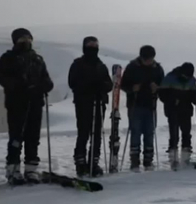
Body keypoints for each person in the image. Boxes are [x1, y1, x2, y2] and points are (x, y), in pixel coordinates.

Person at [0, 28, 54, 184]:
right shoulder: (8, 58)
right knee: (16, 136)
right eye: (22, 39)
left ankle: (31, 169)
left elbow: (47, 80)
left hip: (35, 103)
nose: (25, 42)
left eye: (28, 39)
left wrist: (41, 87)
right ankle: (13, 168)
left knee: (33, 137)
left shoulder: (37, 59)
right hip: (17, 103)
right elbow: (1, 76)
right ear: (15, 41)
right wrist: (18, 85)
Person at [67, 36, 113, 177]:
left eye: (95, 45)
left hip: (99, 103)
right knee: (84, 132)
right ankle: (81, 162)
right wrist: (88, 86)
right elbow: (73, 82)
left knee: (97, 133)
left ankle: (94, 162)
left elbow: (109, 84)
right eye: (90, 45)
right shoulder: (78, 64)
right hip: (84, 102)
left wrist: (102, 87)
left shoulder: (101, 65)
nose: (93, 48)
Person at [120, 45, 164, 171]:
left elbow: (163, 84)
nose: (148, 61)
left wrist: (157, 88)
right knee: (135, 132)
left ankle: (148, 160)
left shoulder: (157, 68)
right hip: (135, 104)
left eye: (150, 59)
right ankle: (135, 161)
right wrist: (132, 88)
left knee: (150, 132)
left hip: (150, 105)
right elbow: (123, 85)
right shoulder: (132, 67)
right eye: (146, 59)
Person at [158, 62, 196, 166]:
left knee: (186, 131)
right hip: (173, 108)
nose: (187, 77)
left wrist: (195, 99)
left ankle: (186, 153)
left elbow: (194, 93)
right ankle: (173, 153)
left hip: (186, 108)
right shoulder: (170, 78)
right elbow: (162, 94)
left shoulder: (192, 80)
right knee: (174, 132)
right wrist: (172, 101)